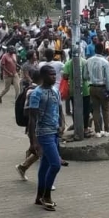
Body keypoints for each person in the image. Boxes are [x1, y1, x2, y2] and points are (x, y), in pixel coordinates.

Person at [27, 65, 65, 210]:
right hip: (43, 133)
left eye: (55, 75)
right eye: (50, 75)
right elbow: (32, 118)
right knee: (55, 164)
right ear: (43, 76)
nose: (54, 77)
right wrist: (34, 141)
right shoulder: (36, 94)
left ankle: (39, 196)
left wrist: (61, 125)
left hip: (54, 132)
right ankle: (46, 196)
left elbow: (60, 109)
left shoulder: (55, 90)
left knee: (45, 166)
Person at [85, 43, 109, 138]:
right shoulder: (105, 62)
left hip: (92, 87)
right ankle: (107, 130)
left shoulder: (88, 61)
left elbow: (85, 76)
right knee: (106, 109)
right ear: (102, 50)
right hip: (102, 87)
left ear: (95, 49)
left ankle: (97, 131)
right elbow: (108, 78)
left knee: (96, 110)